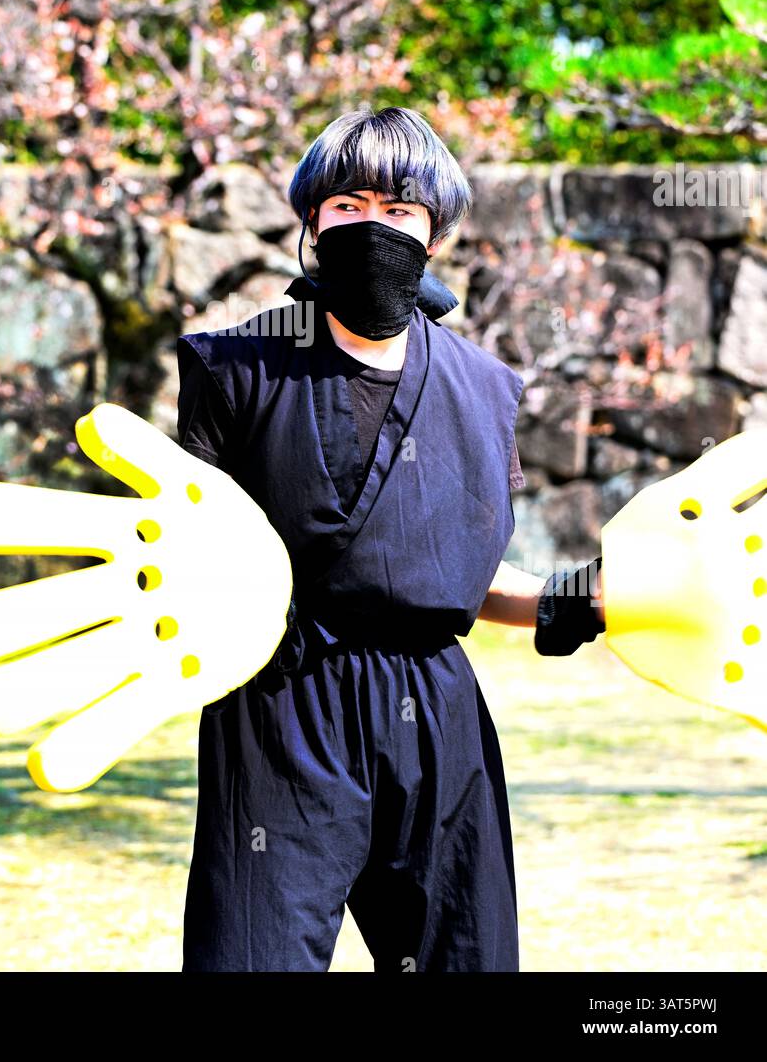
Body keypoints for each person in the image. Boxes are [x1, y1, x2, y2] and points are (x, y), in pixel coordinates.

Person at [175, 106, 603, 973]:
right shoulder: (236, 368)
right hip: (281, 702)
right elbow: (186, 547)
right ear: (311, 221)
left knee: (464, 958)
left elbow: (462, 575)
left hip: (434, 709)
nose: (373, 225)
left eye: (399, 209)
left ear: (434, 233)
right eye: (347, 205)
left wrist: (586, 599)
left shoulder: (484, 390)